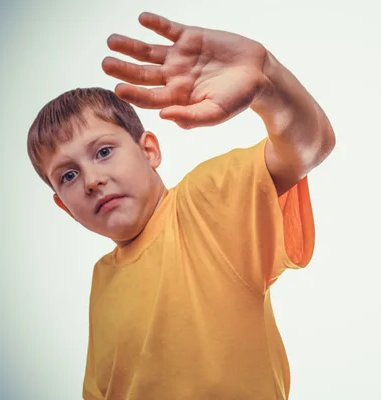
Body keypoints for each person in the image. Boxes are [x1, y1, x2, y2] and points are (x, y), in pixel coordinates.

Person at [26, 11, 335, 400]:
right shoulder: (102, 279)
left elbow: (309, 145)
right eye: (67, 176)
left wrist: (266, 76)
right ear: (63, 206)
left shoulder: (203, 205)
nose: (91, 181)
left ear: (149, 150)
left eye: (104, 151)